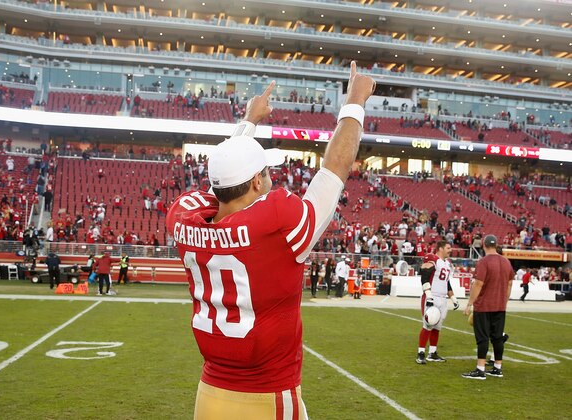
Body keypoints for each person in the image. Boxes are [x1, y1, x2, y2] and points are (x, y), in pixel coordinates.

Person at [166, 63, 375, 419]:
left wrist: (248, 122)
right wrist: (355, 101)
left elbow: (224, 186)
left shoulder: (182, 216)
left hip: (210, 392)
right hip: (267, 396)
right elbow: (333, 172)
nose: (269, 181)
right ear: (258, 182)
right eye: (265, 174)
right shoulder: (276, 220)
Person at [462, 235, 514, 380]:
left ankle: (480, 369)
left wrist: (469, 303)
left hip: (484, 305)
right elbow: (509, 284)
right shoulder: (506, 261)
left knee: (483, 338)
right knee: (497, 337)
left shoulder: (484, 262)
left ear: (483, 245)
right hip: (500, 305)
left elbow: (478, 284)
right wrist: (505, 300)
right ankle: (497, 368)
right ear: (496, 245)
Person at [416, 241, 460, 364]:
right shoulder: (433, 258)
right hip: (432, 296)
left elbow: (446, 282)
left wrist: (453, 298)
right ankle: (420, 353)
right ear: (440, 248)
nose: (450, 250)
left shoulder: (447, 263)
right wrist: (428, 294)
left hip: (442, 298)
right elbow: (424, 275)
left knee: (437, 326)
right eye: (448, 248)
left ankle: (432, 352)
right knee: (428, 324)